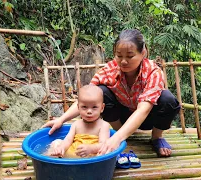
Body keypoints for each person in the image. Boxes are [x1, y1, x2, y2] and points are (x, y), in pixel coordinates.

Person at [42, 29, 180, 157]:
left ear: (143, 53)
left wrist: (116, 139)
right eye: (119, 56)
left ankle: (156, 138)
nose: (123, 61)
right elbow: (86, 97)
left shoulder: (153, 72)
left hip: (147, 119)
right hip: (121, 118)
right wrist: (61, 119)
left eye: (130, 56)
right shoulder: (110, 69)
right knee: (100, 92)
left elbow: (143, 110)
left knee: (168, 100)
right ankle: (118, 133)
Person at [45, 85, 110, 158]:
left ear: (102, 108)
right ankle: (48, 159)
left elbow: (104, 145)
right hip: (73, 153)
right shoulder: (76, 124)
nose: (89, 111)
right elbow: (68, 140)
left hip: (91, 156)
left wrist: (91, 149)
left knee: (104, 152)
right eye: (84, 107)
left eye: (94, 107)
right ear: (78, 107)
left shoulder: (103, 125)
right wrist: (61, 148)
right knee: (56, 142)